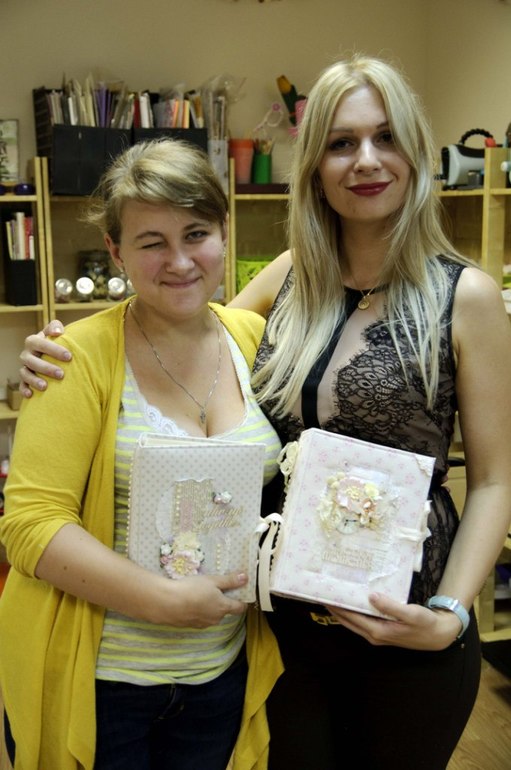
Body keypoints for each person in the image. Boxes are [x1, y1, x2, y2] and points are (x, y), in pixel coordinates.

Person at [17, 54, 511, 770]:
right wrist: (56, 353)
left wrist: (452, 614)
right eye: (340, 143)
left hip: (406, 618)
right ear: (314, 167)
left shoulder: (464, 296)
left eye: (385, 137)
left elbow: (495, 479)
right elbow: (183, 324)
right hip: (280, 631)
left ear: (415, 151)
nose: (365, 160)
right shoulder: (290, 278)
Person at [0, 138, 283, 770]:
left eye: (196, 234)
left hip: (220, 676)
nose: (179, 261)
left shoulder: (254, 338)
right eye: (152, 242)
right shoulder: (72, 357)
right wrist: (162, 600)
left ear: (224, 232)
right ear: (115, 251)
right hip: (102, 684)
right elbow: (29, 526)